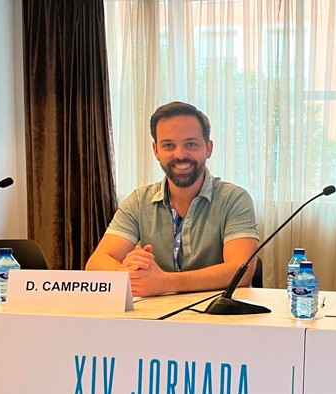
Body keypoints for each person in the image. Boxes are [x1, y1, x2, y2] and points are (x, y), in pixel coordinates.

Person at [86, 101, 259, 297]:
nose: (180, 154)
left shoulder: (235, 199)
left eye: (190, 144)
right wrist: (128, 274)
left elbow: (241, 271)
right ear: (156, 151)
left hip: (217, 318)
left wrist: (165, 282)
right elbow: (96, 263)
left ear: (208, 148)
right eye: (168, 145)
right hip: (155, 318)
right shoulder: (138, 201)